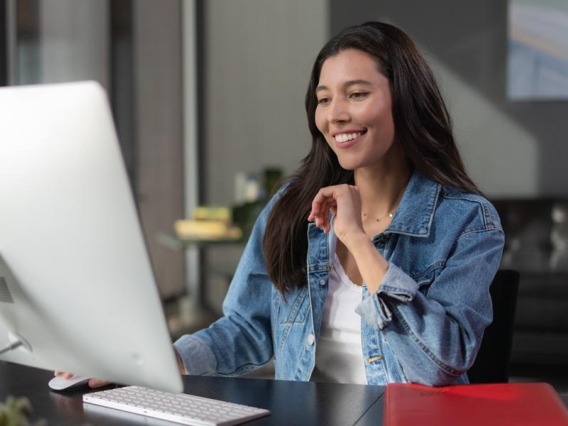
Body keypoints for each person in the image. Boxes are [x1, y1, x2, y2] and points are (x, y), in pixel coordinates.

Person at [57, 20, 504, 388]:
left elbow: (440, 366)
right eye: (324, 99)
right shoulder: (291, 208)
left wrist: (357, 240)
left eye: (357, 94)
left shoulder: (467, 221)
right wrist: (150, 364)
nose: (335, 114)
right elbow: (248, 328)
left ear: (405, 100)